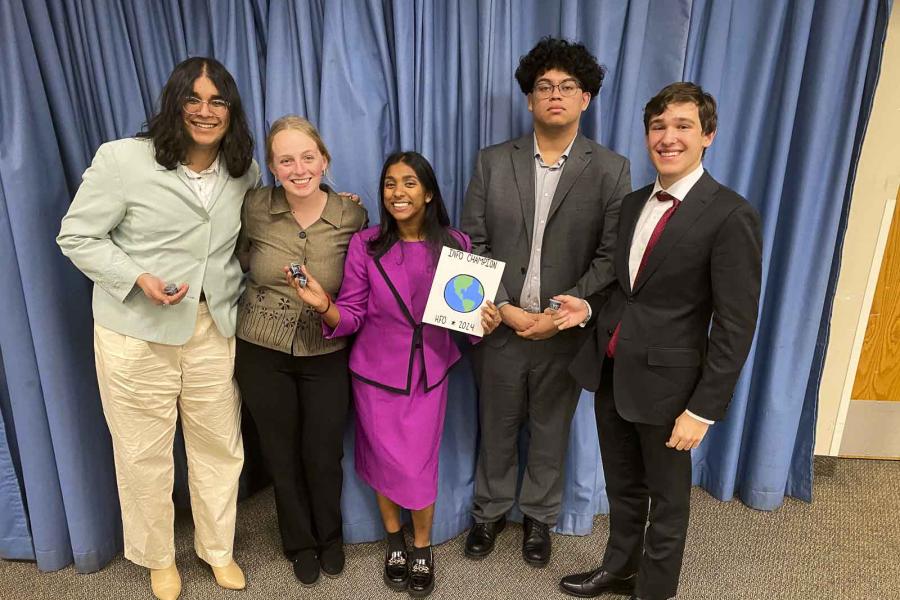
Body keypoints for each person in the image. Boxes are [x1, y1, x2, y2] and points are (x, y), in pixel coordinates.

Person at [57, 57, 260, 600]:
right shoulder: (123, 159)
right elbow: (76, 236)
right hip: (135, 333)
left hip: (212, 328)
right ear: (174, 103)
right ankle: (158, 559)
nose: (205, 110)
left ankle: (218, 550)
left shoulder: (245, 171)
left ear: (231, 111)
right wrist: (136, 277)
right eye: (193, 98)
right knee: (143, 452)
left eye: (217, 101)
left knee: (220, 446)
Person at [553, 82, 762, 600]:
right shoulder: (630, 205)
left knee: (667, 499)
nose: (668, 137)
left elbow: (736, 325)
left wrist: (703, 410)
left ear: (708, 135)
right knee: (624, 487)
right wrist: (589, 308)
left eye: (683, 126)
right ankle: (619, 568)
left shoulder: (730, 215)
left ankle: (656, 589)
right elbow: (629, 293)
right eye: (658, 126)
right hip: (612, 372)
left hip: (672, 388)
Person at [287, 151, 501, 598]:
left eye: (408, 183)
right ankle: (393, 542)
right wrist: (323, 305)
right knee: (385, 465)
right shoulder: (365, 246)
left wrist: (484, 324)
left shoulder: (458, 245)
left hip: (429, 377)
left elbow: (468, 320)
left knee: (419, 469)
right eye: (389, 183)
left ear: (427, 193)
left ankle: (422, 546)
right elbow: (352, 314)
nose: (397, 193)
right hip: (376, 378)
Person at [460, 37, 631, 567]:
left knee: (552, 432)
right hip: (500, 325)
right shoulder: (493, 162)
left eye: (567, 87)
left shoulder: (610, 169)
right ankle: (487, 513)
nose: (554, 95)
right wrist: (507, 307)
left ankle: (539, 519)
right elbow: (473, 241)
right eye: (544, 87)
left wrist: (560, 316)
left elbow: (610, 256)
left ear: (586, 98)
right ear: (530, 99)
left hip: (565, 330)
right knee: (498, 425)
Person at [232, 116, 367, 585]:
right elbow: (241, 257)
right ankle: (299, 543)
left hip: (326, 350)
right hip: (260, 350)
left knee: (323, 452)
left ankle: (330, 537)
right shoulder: (253, 206)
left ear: (324, 160)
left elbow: (361, 284)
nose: (298, 168)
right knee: (281, 453)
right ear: (271, 167)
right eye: (285, 160)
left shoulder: (352, 215)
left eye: (308, 157)